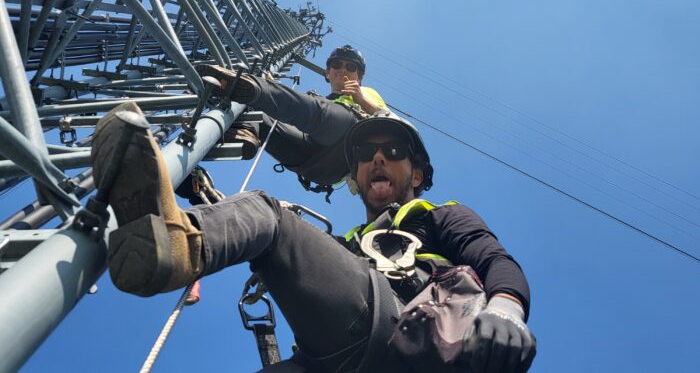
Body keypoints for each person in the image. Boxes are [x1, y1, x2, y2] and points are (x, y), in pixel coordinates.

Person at [92, 102, 536, 373]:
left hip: (416, 329)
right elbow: (284, 247)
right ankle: (172, 231)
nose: (378, 157)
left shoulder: (437, 213)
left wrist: (506, 309)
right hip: (337, 355)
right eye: (366, 154)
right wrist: (210, 200)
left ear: (417, 174)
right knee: (270, 218)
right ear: (356, 178)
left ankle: (176, 242)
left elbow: (493, 258)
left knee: (271, 214)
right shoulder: (349, 244)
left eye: (394, 152)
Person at [191, 45, 387, 196]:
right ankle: (247, 129)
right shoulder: (320, 101)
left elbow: (389, 121)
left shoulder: (367, 93)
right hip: (316, 165)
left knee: (314, 110)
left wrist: (361, 99)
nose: (343, 70)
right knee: (255, 112)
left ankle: (255, 88)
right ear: (328, 73)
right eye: (337, 65)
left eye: (351, 67)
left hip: (350, 144)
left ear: (359, 77)